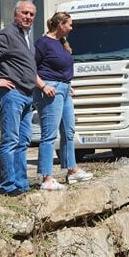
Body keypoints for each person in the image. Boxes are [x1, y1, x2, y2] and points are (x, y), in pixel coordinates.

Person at [0, 0, 48, 194]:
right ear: (16, 14)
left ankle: (21, 184)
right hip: (12, 94)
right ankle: (8, 185)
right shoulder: (7, 35)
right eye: (24, 13)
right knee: (10, 140)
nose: (28, 17)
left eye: (31, 14)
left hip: (27, 96)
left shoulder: (26, 38)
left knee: (23, 141)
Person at [34, 12, 93, 186]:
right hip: (50, 90)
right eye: (69, 24)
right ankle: (47, 179)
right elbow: (30, 69)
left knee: (69, 131)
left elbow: (61, 69)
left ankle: (72, 170)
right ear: (60, 24)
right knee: (49, 134)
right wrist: (43, 86)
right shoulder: (43, 43)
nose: (71, 28)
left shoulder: (62, 43)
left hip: (64, 89)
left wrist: (67, 85)